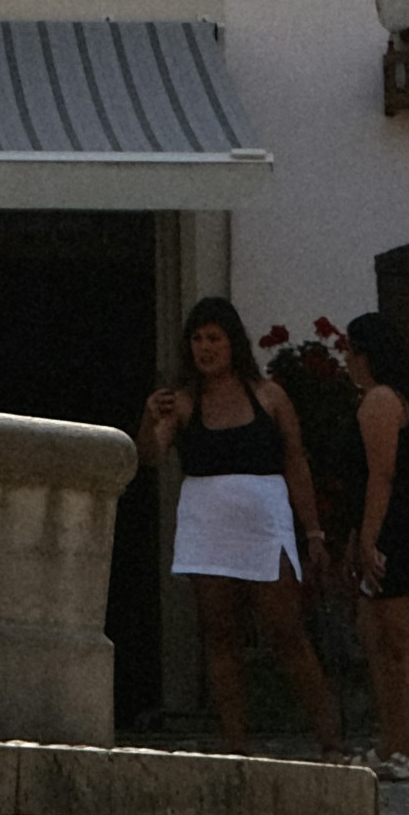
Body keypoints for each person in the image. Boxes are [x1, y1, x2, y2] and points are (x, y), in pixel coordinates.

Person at [140, 296, 343, 758]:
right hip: (208, 528)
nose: (205, 348)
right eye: (197, 339)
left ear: (233, 342)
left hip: (264, 527)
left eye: (214, 338)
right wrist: (148, 417)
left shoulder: (269, 395)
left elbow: (296, 464)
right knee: (220, 635)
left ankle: (331, 740)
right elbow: (149, 456)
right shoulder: (182, 402)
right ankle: (236, 745)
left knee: (287, 630)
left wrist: (312, 532)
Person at [343, 310, 409, 781]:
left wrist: (368, 538)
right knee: (374, 634)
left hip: (400, 524)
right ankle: (388, 744)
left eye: (352, 350)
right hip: (389, 520)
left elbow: (382, 476)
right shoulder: (378, 398)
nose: (347, 359)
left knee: (404, 635)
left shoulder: (381, 401)